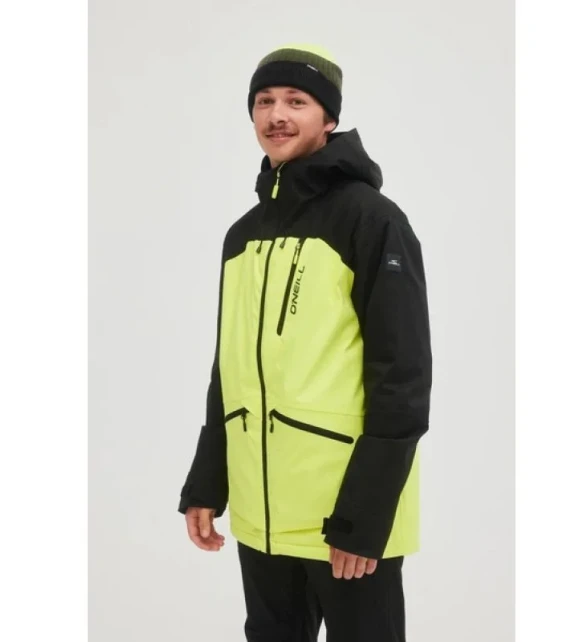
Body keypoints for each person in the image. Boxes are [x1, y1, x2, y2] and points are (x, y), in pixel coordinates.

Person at [177, 43, 433, 642]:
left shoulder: (372, 219)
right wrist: (208, 482)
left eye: (296, 101)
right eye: (264, 101)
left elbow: (402, 376)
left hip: (344, 516)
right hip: (262, 512)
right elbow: (229, 369)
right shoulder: (242, 236)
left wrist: (365, 516)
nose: (276, 115)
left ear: (329, 118)